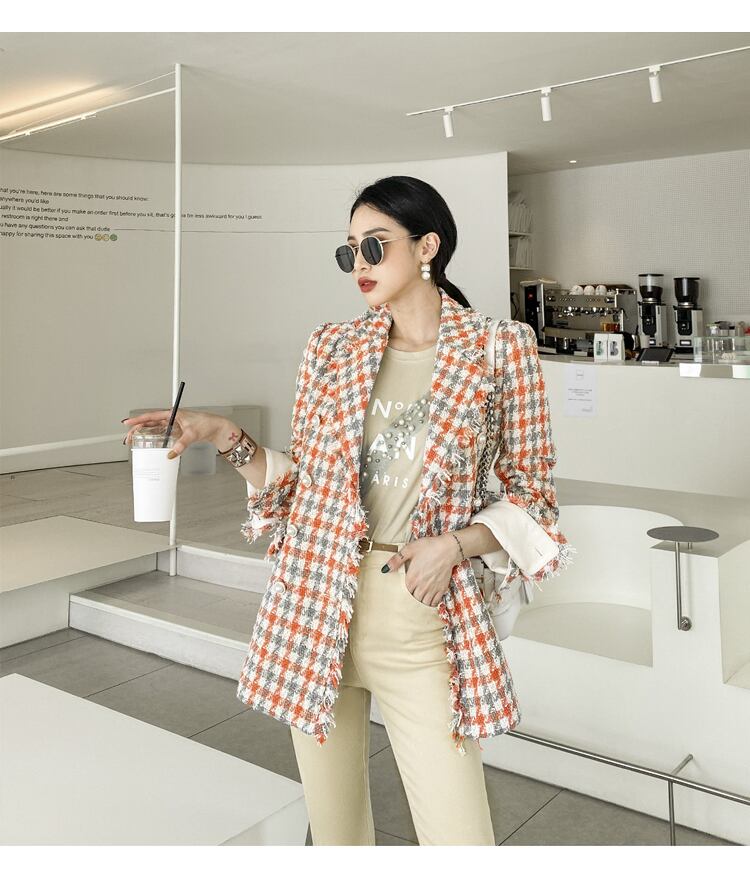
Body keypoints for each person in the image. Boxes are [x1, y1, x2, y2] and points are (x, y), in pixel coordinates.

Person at [122, 175, 572, 845]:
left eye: (375, 246)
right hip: (316, 601)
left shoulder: (500, 348)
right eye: (349, 250)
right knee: (336, 837)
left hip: (418, 612)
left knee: (461, 841)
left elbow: (534, 499)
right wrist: (223, 435)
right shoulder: (331, 348)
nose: (359, 263)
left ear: (427, 246)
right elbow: (302, 489)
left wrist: (456, 545)